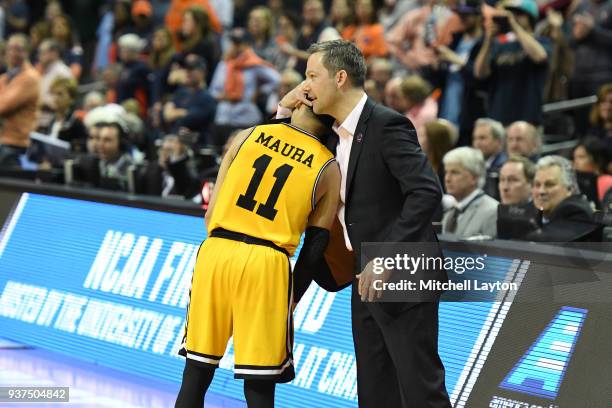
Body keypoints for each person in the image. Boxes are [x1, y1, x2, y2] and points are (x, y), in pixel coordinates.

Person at [277, 39, 450, 408]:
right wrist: (281, 111)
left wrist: (386, 258)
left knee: (420, 390)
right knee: (374, 392)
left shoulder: (387, 124)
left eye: (312, 75)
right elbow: (276, 157)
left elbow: (426, 193)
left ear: (340, 78)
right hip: (362, 273)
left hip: (402, 270)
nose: (304, 86)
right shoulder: (328, 133)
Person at [175, 103, 341, 407]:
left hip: (217, 252)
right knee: (260, 385)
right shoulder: (328, 166)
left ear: (302, 102)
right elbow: (316, 245)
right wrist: (293, 297)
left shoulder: (248, 135)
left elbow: (210, 214)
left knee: (196, 373)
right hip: (268, 263)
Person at [473, 0, 550, 126]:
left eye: (518, 14)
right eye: (510, 14)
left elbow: (540, 56)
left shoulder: (541, 41)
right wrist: (489, 39)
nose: (513, 17)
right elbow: (479, 73)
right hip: (498, 118)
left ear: (530, 18)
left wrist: (514, 26)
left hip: (527, 118)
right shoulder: (499, 45)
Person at [0, 34, 41, 167]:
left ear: (27, 52)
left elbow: (4, 106)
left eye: (18, 49)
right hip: (4, 141)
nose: (13, 53)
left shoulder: (30, 77)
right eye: (10, 48)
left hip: (17, 144)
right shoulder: (5, 78)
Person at [442, 146, 499, 238]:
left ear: (474, 178)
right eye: (446, 172)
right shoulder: (449, 212)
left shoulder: (492, 212)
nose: (447, 178)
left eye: (455, 172)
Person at [472, 117, 507, 199]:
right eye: (475, 138)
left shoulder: (504, 167)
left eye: (482, 138)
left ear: (498, 141)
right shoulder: (473, 164)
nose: (477, 143)